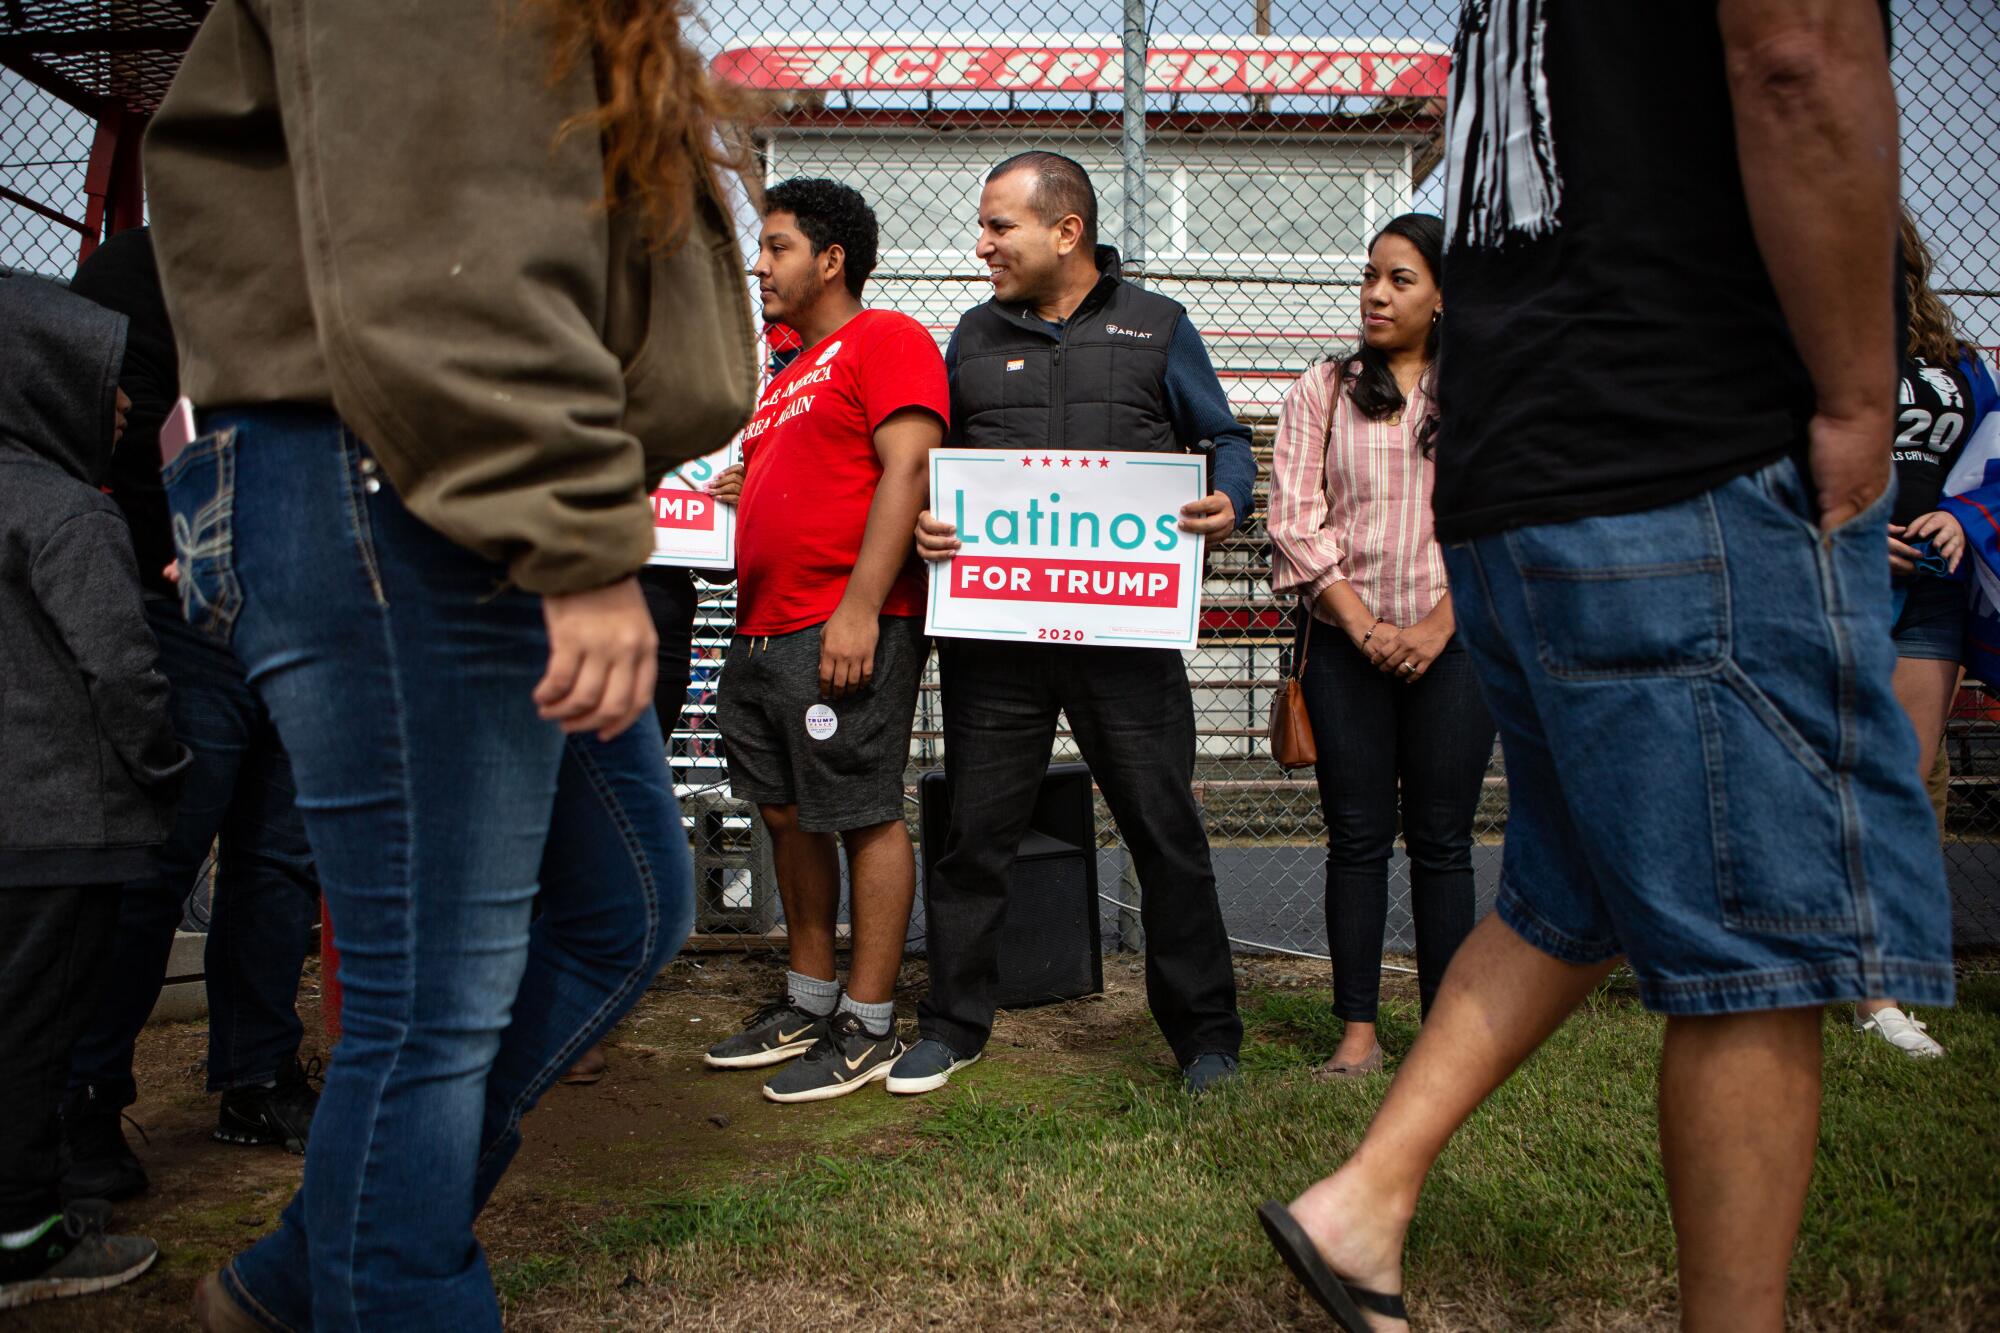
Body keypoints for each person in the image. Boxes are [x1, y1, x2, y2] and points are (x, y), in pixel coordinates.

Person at [1257, 5, 1950, 1332]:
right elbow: (1798, 57)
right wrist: (1864, 398)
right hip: (1683, 439)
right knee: (1764, 937)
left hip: (1522, 463)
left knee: (1566, 889)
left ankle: (1364, 1203)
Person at [143, 0, 758, 1326]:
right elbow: (445, 245)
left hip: (450, 483)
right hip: (410, 482)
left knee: (627, 908)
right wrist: (579, 538)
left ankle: (313, 1263)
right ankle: (397, 1284)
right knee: (431, 1003)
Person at [902, 151, 1253, 1096]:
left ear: (1067, 231)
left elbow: (1223, 436)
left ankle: (1206, 1038)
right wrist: (928, 518)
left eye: (998, 227)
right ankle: (953, 1024)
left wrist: (1229, 497)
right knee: (974, 835)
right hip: (995, 644)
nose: (981, 246)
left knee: (1166, 832)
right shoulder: (972, 335)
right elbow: (931, 460)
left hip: (1127, 645)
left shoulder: (1158, 326)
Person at [62, 227, 323, 1195]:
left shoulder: (345, 260)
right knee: (157, 859)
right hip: (185, 607)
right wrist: (187, 543)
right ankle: (85, 1098)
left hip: (304, 609)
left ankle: (257, 1078)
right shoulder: (150, 264)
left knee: (281, 858)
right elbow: (110, 417)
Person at [700, 178, 945, 1103]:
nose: (759, 266)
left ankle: (869, 1021)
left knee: (861, 809)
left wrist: (859, 604)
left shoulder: (885, 340)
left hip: (840, 621)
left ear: (830, 260)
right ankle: (809, 999)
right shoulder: (788, 375)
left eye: (775, 248)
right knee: (786, 812)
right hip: (762, 628)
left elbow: (908, 467)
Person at [1266, 213, 1495, 1079]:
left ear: (1442, 297)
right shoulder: (1322, 389)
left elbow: (1499, 524)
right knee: (1356, 838)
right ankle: (1357, 1031)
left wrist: (1438, 626)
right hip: (1344, 645)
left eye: (1400, 279)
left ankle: (1444, 1032)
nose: (1375, 293)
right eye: (1370, 275)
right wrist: (1361, 624)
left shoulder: (1483, 398)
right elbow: (1292, 518)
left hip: (1457, 644)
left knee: (1442, 840)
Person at [0, 273, 189, 1307]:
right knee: (35, 1031)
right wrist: (162, 768)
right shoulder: (70, 513)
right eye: (107, 380)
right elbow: (124, 672)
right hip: (60, 827)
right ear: (43, 378)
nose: (126, 406)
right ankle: (25, 1237)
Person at [1853, 212, 2000, 1059]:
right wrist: (1847, 531)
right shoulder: (1808, 347)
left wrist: (1962, 516)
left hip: (1934, 596)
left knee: (1904, 791)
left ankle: (1883, 993)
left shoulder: (1961, 361)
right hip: (1840, 587)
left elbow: (1995, 463)